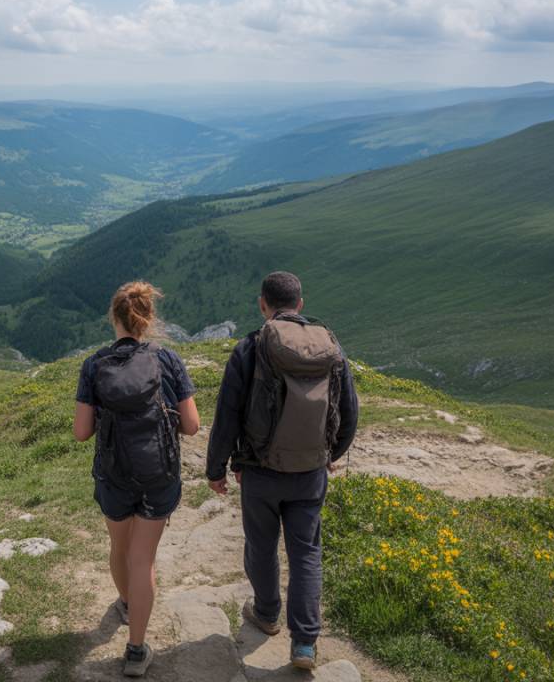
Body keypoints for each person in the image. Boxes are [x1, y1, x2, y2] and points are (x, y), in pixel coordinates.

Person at [206, 271, 358, 670]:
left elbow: (227, 415)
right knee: (306, 552)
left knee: (261, 544)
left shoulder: (251, 348)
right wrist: (330, 452)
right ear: (300, 305)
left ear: (263, 304)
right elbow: (350, 412)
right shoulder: (331, 348)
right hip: (310, 471)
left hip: (259, 470)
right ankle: (305, 644)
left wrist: (216, 468)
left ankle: (267, 613)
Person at [74, 281, 200, 678]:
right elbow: (193, 425)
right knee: (143, 559)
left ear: (114, 317)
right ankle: (135, 650)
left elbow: (81, 432)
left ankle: (127, 604)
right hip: (158, 474)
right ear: (148, 319)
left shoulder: (94, 365)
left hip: (114, 476)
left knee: (119, 548)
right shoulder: (168, 360)